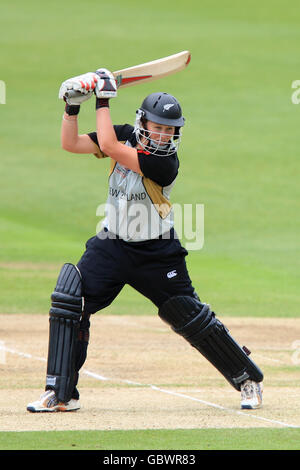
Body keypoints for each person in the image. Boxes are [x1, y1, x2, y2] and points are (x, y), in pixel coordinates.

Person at [27, 69, 263, 413]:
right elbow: (71, 144)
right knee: (71, 301)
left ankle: (247, 379)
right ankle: (61, 393)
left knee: (189, 316)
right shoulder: (126, 135)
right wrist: (72, 107)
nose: (165, 135)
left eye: (171, 130)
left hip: (156, 252)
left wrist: (103, 97)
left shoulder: (165, 162)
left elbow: (108, 145)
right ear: (143, 122)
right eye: (159, 127)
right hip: (111, 245)